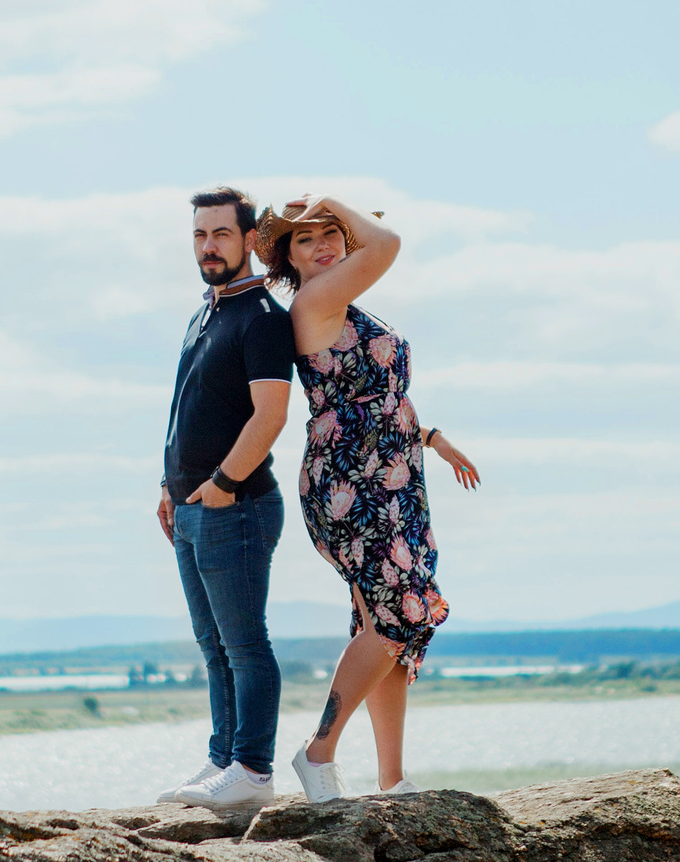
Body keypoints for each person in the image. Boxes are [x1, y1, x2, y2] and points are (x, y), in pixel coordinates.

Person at [259, 194, 479, 801]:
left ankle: (391, 778)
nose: (324, 244)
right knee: (400, 611)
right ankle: (317, 751)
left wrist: (429, 436)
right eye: (306, 239)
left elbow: (372, 390)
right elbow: (386, 244)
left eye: (333, 233)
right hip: (352, 481)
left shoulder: (349, 306)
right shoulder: (315, 300)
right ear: (289, 258)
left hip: (395, 474)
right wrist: (331, 199)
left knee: (384, 623)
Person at [154, 186, 295, 811]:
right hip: (189, 508)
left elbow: (271, 416)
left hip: (235, 506)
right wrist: (170, 486)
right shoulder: (205, 312)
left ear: (248, 241)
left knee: (244, 646)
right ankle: (223, 761)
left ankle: (253, 770)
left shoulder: (262, 318)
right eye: (199, 235)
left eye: (220, 234)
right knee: (213, 649)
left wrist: (221, 486)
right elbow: (186, 408)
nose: (208, 246)